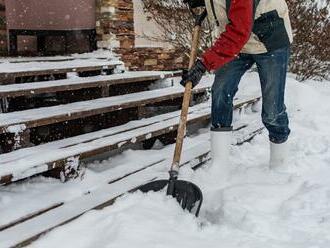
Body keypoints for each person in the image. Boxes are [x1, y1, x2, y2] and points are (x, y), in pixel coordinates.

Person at [180, 0, 293, 171]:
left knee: (272, 108)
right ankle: (220, 163)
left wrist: (204, 64)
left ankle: (280, 163)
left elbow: (239, 30)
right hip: (237, 42)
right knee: (220, 92)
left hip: (269, 39)